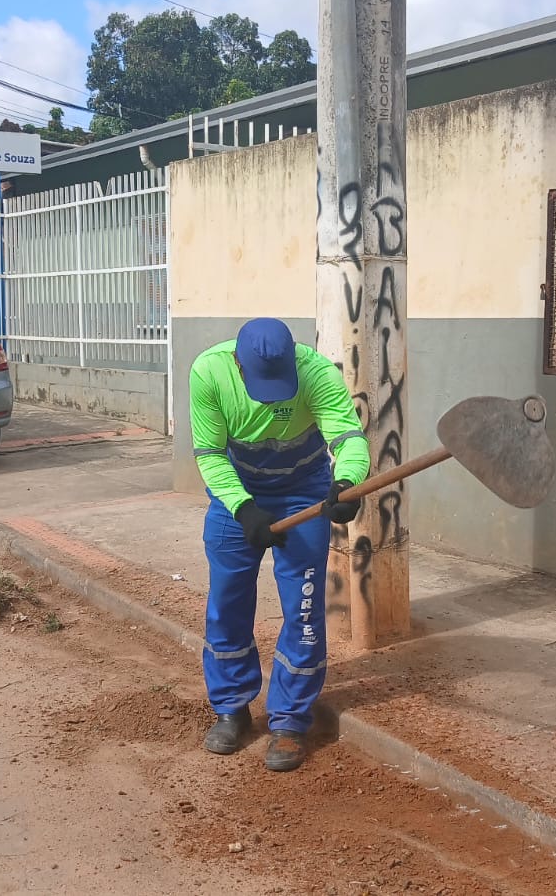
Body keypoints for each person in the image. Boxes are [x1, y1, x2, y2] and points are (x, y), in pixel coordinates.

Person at [188, 318, 369, 772]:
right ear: (238, 364)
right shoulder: (209, 372)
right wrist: (243, 508)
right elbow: (210, 453)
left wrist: (347, 483)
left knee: (304, 610)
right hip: (236, 494)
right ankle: (231, 708)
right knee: (226, 603)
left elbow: (348, 437)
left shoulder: (317, 373)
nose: (273, 395)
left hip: (303, 494)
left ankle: (290, 720)